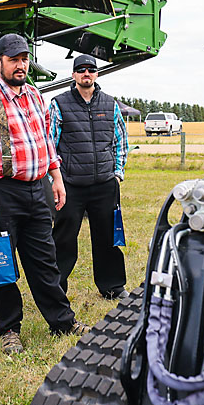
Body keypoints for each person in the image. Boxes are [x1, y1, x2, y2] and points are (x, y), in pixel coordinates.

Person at [0, 33, 90, 355]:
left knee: (45, 261)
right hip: (0, 193)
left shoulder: (32, 94)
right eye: (14, 59)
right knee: (0, 265)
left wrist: (56, 178)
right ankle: (9, 329)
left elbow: (45, 142)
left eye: (24, 59)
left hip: (36, 188)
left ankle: (62, 321)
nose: (21, 65)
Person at [47, 54, 128, 299]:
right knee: (63, 239)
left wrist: (117, 173)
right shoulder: (59, 104)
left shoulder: (110, 104)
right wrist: (55, 179)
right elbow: (49, 143)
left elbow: (120, 140)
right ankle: (56, 289)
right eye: (80, 70)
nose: (86, 74)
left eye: (90, 70)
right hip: (71, 184)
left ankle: (112, 286)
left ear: (96, 74)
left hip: (105, 184)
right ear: (73, 75)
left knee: (108, 238)